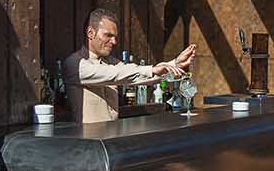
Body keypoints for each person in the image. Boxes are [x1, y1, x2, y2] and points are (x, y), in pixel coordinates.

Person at [64, 8, 197, 123]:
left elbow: (137, 76)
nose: (114, 41)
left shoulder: (111, 62)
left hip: (112, 139)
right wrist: (155, 68)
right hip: (88, 143)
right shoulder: (75, 64)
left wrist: (174, 64)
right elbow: (115, 74)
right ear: (90, 33)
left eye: (115, 36)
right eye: (108, 36)